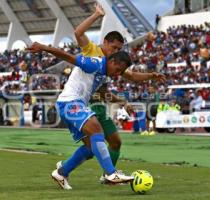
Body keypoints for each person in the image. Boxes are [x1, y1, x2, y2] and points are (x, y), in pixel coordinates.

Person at [70, 3, 166, 183]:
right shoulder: (93, 51)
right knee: (93, 147)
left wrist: (151, 75)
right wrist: (96, 15)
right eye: (113, 48)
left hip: (97, 104)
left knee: (114, 143)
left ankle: (104, 176)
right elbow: (78, 33)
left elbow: (131, 76)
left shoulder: (114, 62)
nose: (115, 52)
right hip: (84, 104)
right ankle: (104, 174)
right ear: (105, 42)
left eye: (118, 50)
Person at [27, 42, 134, 189]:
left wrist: (121, 101)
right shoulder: (94, 63)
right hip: (69, 102)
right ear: (112, 61)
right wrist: (44, 48)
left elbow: (103, 92)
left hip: (75, 105)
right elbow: (68, 56)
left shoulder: (103, 73)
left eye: (120, 73)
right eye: (117, 69)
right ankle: (111, 173)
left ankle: (62, 172)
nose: (117, 74)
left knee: (91, 148)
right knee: (96, 128)